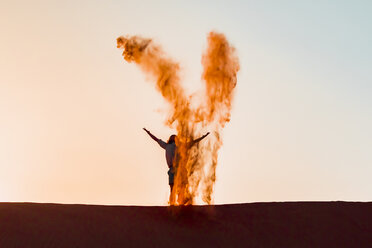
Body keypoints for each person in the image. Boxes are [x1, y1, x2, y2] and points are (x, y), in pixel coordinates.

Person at [143, 128, 210, 194]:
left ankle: (181, 200)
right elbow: (156, 139)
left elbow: (193, 142)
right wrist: (148, 132)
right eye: (172, 137)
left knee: (182, 186)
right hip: (172, 168)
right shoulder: (166, 145)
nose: (174, 137)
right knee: (172, 186)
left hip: (181, 168)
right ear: (170, 139)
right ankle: (172, 201)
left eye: (175, 137)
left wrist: (203, 136)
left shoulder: (182, 146)